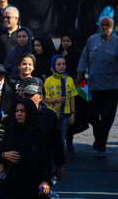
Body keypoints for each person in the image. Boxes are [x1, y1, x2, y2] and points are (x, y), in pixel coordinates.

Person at [77, 16, 118, 157]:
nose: (105, 27)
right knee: (92, 115)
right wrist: (80, 73)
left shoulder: (117, 42)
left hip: (112, 87)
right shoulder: (92, 40)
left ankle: (101, 145)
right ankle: (100, 137)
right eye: (102, 25)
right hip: (94, 86)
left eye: (108, 25)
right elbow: (84, 57)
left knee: (107, 118)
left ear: (112, 27)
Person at [44, 55, 77, 145]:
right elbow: (45, 99)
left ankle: (60, 155)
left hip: (65, 113)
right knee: (51, 135)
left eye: (63, 64)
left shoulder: (69, 80)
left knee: (62, 135)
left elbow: (72, 97)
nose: (61, 66)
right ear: (53, 66)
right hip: (52, 113)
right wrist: (56, 100)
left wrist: (73, 113)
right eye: (58, 64)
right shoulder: (49, 81)